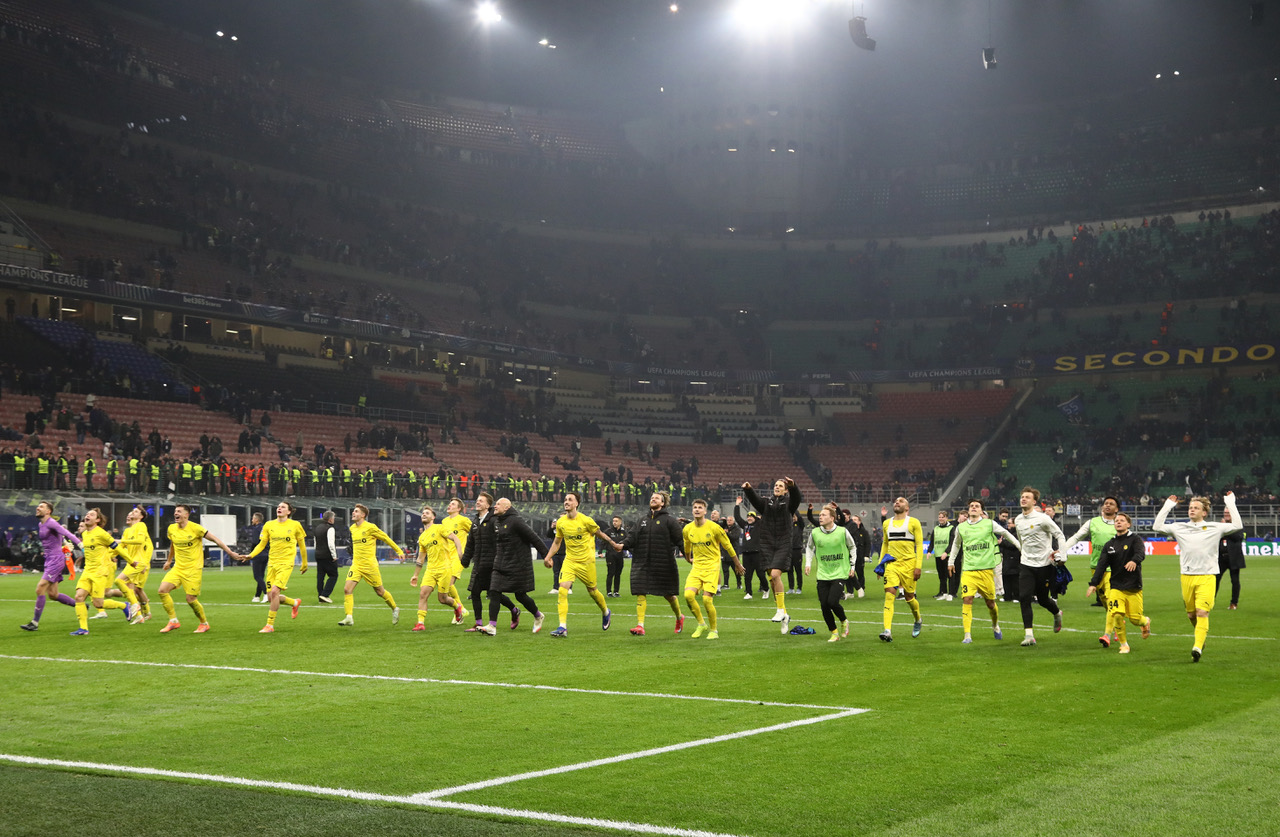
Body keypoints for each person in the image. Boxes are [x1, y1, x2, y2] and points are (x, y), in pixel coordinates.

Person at [1153, 493, 1242, 662]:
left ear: (1204, 513)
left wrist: (1230, 502)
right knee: (1192, 616)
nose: (1192, 510)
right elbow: (1157, 527)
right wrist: (1167, 506)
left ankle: (1197, 646)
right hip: (1187, 576)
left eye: (1196, 508)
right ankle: (1201, 638)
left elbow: (1237, 525)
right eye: (1190, 508)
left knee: (1202, 612)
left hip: (1207, 576)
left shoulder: (1215, 527)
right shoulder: (1179, 527)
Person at [543, 491, 621, 637]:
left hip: (586, 562)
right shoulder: (561, 522)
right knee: (562, 590)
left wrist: (613, 543)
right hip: (570, 561)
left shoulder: (586, 520)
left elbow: (600, 534)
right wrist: (547, 557)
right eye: (565, 499)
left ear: (577, 504)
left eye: (570, 500)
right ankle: (562, 627)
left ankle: (605, 611)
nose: (566, 502)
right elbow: (557, 542)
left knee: (593, 591)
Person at [944, 499, 1019, 645]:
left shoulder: (989, 524)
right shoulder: (961, 527)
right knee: (967, 599)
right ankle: (967, 635)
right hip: (969, 571)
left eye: (976, 506)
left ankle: (995, 625)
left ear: (981, 511)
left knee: (990, 603)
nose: (973, 507)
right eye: (971, 506)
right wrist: (951, 562)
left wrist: (1019, 545)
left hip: (986, 571)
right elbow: (956, 545)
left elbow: (1005, 533)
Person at [158, 504, 241, 634]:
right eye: (175, 511)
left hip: (193, 569)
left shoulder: (196, 528)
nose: (176, 513)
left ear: (187, 514)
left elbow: (215, 540)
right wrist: (169, 561)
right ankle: (173, 621)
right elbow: (173, 544)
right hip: (178, 567)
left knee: (190, 599)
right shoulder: (171, 528)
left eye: (179, 511)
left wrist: (230, 553)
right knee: (162, 590)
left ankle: (204, 623)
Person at [741, 478, 802, 632]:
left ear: (785, 490)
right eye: (776, 485)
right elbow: (755, 501)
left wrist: (793, 486)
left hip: (783, 543)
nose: (777, 487)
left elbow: (797, 498)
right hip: (767, 544)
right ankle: (785, 615)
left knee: (775, 575)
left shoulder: (789, 503)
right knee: (772, 580)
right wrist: (748, 490)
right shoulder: (766, 503)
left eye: (781, 486)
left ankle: (780, 610)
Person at [1086, 512, 1150, 655]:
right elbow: (1101, 565)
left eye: (1122, 520)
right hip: (1116, 586)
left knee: (1135, 619)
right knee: (1117, 615)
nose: (1118, 522)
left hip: (1133, 586)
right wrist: (1093, 583)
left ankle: (1145, 622)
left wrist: (1134, 561)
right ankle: (1124, 645)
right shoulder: (1110, 545)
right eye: (1116, 521)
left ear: (1128, 524)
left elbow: (1140, 553)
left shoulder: (1135, 539)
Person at [623, 491, 685, 636]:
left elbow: (680, 541)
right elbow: (632, 537)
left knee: (668, 595)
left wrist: (689, 556)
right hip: (642, 561)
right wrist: (622, 545)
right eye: (651, 497)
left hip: (663, 563)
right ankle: (640, 625)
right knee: (640, 591)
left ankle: (679, 617)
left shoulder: (670, 521)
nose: (653, 499)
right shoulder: (641, 520)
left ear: (663, 503)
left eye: (657, 498)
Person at [1012, 487, 1067, 647]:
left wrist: (1062, 556)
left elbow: (1060, 535)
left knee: (1043, 599)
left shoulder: (1043, 519)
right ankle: (1029, 635)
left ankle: (1057, 613)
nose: (1023, 499)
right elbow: (1022, 541)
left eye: (1027, 497)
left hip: (1044, 565)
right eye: (1022, 496)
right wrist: (1024, 553)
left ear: (1034, 501)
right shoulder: (1018, 520)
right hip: (1026, 564)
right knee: (1024, 597)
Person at [69, 509, 138, 635]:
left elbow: (117, 548)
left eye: (91, 515)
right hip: (87, 571)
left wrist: (131, 561)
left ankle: (124, 606)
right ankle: (83, 629)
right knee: (79, 597)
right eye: (87, 514)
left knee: (98, 603)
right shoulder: (85, 534)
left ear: (98, 520)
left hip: (100, 572)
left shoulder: (102, 534)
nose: (87, 516)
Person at [486, 497, 548, 635]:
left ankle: (538, 615)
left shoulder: (516, 521)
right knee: (494, 591)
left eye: (498, 504)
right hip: (500, 563)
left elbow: (534, 538)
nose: (495, 506)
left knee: (520, 596)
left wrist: (547, 556)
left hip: (518, 564)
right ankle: (492, 626)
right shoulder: (497, 521)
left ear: (507, 507)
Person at [682, 499, 743, 640]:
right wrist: (687, 558)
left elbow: (728, 545)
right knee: (688, 596)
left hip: (712, 567)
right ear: (692, 510)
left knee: (706, 600)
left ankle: (713, 630)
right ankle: (701, 624)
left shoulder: (714, 528)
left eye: (700, 507)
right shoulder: (687, 529)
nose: (697, 509)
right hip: (697, 567)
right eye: (695, 507)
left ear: (705, 511)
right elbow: (686, 545)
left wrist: (737, 564)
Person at [460, 493, 521, 631]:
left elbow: (502, 541)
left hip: (493, 564)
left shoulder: (494, 521)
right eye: (477, 500)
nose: (477, 503)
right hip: (480, 564)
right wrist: (465, 561)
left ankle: (512, 610)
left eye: (481, 501)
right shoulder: (475, 522)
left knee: (493, 593)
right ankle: (479, 623)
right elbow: (470, 544)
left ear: (488, 505)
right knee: (475, 592)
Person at [246, 501, 309, 633]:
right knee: (271, 598)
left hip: (286, 564)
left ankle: (269, 625)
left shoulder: (295, 525)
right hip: (272, 564)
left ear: (289, 511)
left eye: (283, 507)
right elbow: (262, 544)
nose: (279, 508)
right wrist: (250, 555)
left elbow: (302, 545)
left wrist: (304, 563)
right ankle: (294, 603)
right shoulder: (269, 525)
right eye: (278, 507)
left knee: (275, 592)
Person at [19, 502, 82, 631]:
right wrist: (62, 542)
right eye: (38, 506)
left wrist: (81, 546)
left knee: (40, 588)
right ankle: (80, 605)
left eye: (41, 507)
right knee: (53, 594)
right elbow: (58, 536)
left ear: (48, 511)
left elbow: (66, 533)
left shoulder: (51, 522)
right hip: (49, 560)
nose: (38, 508)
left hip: (56, 560)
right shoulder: (40, 524)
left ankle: (34, 623)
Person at [338, 504, 403, 627]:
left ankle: (394, 608)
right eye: (353, 511)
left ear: (363, 515)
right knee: (347, 589)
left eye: (356, 511)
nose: (353, 513)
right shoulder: (352, 528)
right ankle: (349, 617)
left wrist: (399, 551)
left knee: (380, 591)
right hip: (356, 565)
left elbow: (385, 538)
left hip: (370, 566)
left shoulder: (370, 527)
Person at [804, 504, 857, 643]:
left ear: (832, 518)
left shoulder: (842, 532)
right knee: (824, 605)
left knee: (832, 601)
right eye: (820, 515)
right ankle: (834, 632)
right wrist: (808, 564)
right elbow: (809, 548)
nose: (820, 517)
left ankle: (844, 621)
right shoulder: (815, 533)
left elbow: (852, 547)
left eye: (823, 515)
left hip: (840, 572)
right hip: (822, 574)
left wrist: (852, 566)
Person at [1062, 496, 1120, 616]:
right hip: (1096, 566)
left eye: (1111, 504)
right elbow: (1077, 537)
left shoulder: (1120, 523)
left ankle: (1114, 628)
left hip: (1114, 567)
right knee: (1104, 599)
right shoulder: (1092, 522)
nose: (1107, 505)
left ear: (1117, 509)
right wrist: (1062, 550)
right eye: (1106, 503)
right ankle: (1118, 619)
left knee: (1111, 598)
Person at [409, 506, 465, 630]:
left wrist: (460, 552)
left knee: (443, 599)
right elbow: (420, 558)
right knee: (423, 594)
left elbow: (455, 538)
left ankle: (457, 607)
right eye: (423, 513)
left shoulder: (439, 528)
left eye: (427, 513)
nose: (424, 514)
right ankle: (420, 623)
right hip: (430, 570)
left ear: (433, 517)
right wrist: (416, 575)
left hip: (444, 568)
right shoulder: (422, 537)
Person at [878, 496, 925, 642]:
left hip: (909, 565)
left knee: (909, 597)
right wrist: (880, 564)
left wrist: (918, 567)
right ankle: (887, 630)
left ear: (907, 508)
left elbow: (919, 545)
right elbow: (885, 544)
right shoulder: (887, 523)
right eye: (896, 500)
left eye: (901, 501)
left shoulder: (913, 522)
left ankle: (918, 619)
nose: (897, 502)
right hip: (892, 564)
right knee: (889, 594)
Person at [108, 506, 153, 624]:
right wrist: (107, 554)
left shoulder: (141, 526)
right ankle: (144, 613)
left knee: (127, 585)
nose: (132, 513)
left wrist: (146, 563)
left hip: (140, 562)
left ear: (141, 516)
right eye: (132, 511)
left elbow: (142, 542)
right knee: (136, 589)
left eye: (135, 511)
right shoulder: (127, 531)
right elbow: (120, 547)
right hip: (132, 563)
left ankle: (136, 607)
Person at [439, 498, 472, 624]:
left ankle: (461, 609)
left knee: (449, 583)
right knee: (446, 586)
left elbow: (475, 533)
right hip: (445, 557)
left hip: (458, 557)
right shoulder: (444, 521)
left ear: (459, 508)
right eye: (449, 503)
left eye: (452, 504)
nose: (449, 505)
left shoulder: (463, 520)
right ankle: (459, 611)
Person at [733, 502, 765, 600]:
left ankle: (766, 588)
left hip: (757, 553)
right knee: (747, 574)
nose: (749, 518)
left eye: (751, 517)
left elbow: (765, 517)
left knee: (760, 573)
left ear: (755, 518)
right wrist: (737, 505)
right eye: (748, 517)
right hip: (746, 553)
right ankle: (749, 592)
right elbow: (737, 518)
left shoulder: (759, 525)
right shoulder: (745, 525)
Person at [1215, 509, 1245, 610]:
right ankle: (1210, 602)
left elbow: (1238, 537)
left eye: (1228, 513)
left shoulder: (1237, 525)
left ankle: (1234, 603)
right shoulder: (1220, 526)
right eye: (1225, 513)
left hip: (1234, 558)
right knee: (1215, 580)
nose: (1226, 514)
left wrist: (1225, 528)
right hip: (1221, 558)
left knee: (1235, 581)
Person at [313, 511, 340, 603]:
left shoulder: (318, 528)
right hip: (327, 555)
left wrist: (316, 552)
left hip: (318, 554)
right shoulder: (330, 528)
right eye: (333, 518)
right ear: (330, 519)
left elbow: (315, 542)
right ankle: (325, 595)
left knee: (320, 576)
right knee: (334, 575)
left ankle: (320, 595)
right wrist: (334, 556)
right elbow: (331, 543)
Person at [930, 510, 955, 600]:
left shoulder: (951, 528)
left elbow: (952, 542)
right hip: (938, 555)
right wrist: (929, 551)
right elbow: (932, 541)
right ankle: (943, 592)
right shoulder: (936, 528)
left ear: (946, 518)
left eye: (943, 517)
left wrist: (946, 552)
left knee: (950, 574)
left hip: (947, 555)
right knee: (941, 575)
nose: (941, 519)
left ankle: (951, 593)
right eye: (939, 517)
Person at [246, 512, 268, 603]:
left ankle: (267, 593)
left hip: (258, 554)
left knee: (257, 576)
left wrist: (251, 554)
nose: (252, 520)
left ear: (256, 520)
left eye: (253, 518)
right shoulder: (265, 528)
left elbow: (255, 542)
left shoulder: (256, 529)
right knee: (261, 576)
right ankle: (257, 596)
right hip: (266, 554)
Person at [602, 515, 627, 598]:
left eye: (616, 521)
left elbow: (627, 542)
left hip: (620, 556)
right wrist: (600, 551)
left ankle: (616, 591)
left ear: (620, 522)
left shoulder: (624, 533)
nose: (614, 523)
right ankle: (609, 591)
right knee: (610, 573)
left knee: (618, 574)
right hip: (610, 555)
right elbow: (603, 542)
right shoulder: (608, 531)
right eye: (613, 521)